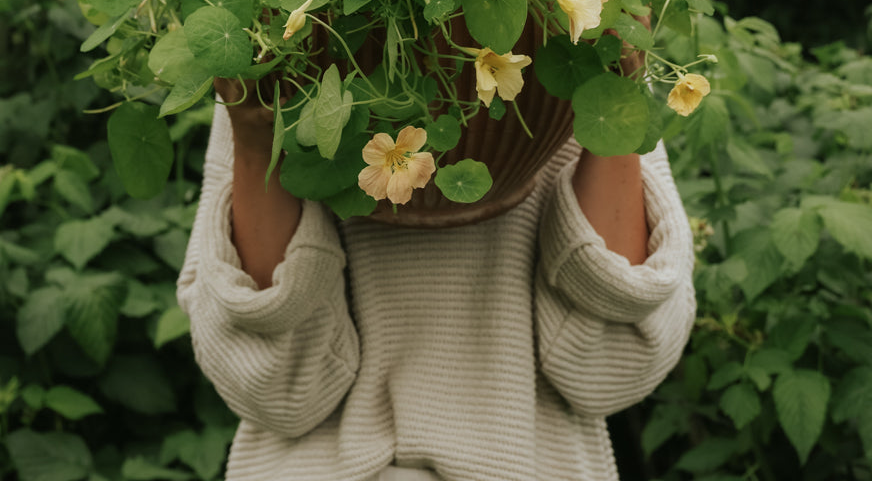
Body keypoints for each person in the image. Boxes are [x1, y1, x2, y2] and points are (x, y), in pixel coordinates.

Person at [177, 78, 696, 481]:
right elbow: (274, 386)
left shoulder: (582, 40)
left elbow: (614, 367)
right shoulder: (286, 52)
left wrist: (615, 88)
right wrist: (252, 135)